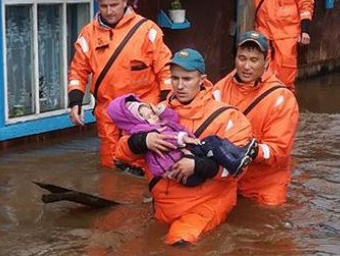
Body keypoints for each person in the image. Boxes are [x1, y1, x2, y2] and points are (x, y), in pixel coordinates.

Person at [114, 49, 253, 246]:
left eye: (187, 79)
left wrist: (197, 165)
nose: (179, 85)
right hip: (163, 206)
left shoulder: (228, 117)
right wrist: (143, 141)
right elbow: (120, 154)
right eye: (175, 78)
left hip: (205, 204)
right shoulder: (156, 112)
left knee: (179, 242)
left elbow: (238, 170)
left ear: (202, 80)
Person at [68, 0, 172, 169]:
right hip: (107, 110)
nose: (109, 11)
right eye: (104, 6)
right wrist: (75, 102)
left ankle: (143, 197)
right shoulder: (88, 34)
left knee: (144, 162)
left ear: (125, 1)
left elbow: (165, 67)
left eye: (114, 4)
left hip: (142, 109)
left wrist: (166, 100)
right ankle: (112, 195)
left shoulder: (147, 30)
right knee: (110, 163)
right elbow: (77, 70)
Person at [213, 30, 300, 206]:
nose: (246, 66)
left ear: (266, 62)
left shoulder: (282, 99)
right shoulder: (219, 89)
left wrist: (251, 151)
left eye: (254, 60)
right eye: (242, 58)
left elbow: (279, 151)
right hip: (226, 178)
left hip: (265, 184)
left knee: (266, 225)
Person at [107, 93, 258, 185]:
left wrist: (160, 111)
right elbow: (168, 139)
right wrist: (184, 139)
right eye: (148, 116)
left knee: (213, 144)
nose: (153, 117)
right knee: (212, 143)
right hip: (181, 171)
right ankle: (236, 161)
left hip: (185, 168)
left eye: (151, 113)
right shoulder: (144, 131)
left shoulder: (156, 120)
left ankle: (239, 155)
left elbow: (173, 118)